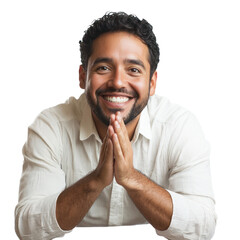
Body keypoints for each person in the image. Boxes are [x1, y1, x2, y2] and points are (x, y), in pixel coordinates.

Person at [15, 12, 216, 239]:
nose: (118, 82)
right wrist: (96, 180)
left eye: (133, 70)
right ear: (83, 77)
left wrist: (131, 178)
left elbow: (202, 227)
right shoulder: (51, 127)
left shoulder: (179, 128)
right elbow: (28, 228)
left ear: (152, 83)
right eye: (103, 68)